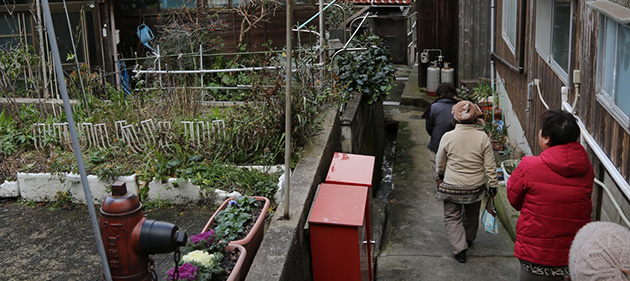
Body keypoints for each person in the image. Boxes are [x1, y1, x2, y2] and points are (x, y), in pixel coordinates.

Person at [507, 109, 594, 281]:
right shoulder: (586, 167)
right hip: (571, 256)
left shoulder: (529, 166)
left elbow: (513, 199)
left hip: (536, 255)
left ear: (546, 138)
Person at [435, 100, 498, 263]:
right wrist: (493, 184)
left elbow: (440, 161)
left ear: (454, 118)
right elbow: (490, 164)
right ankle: (468, 238)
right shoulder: (482, 137)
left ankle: (460, 249)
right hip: (475, 186)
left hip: (451, 186)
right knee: (471, 214)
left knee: (452, 216)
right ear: (475, 118)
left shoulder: (448, 137)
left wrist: (440, 175)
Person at [422, 82, 459, 187]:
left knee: (436, 164)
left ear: (440, 94)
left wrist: (434, 135)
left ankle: (439, 182)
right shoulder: (458, 107)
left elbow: (429, 126)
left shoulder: (434, 107)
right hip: (454, 143)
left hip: (437, 143)